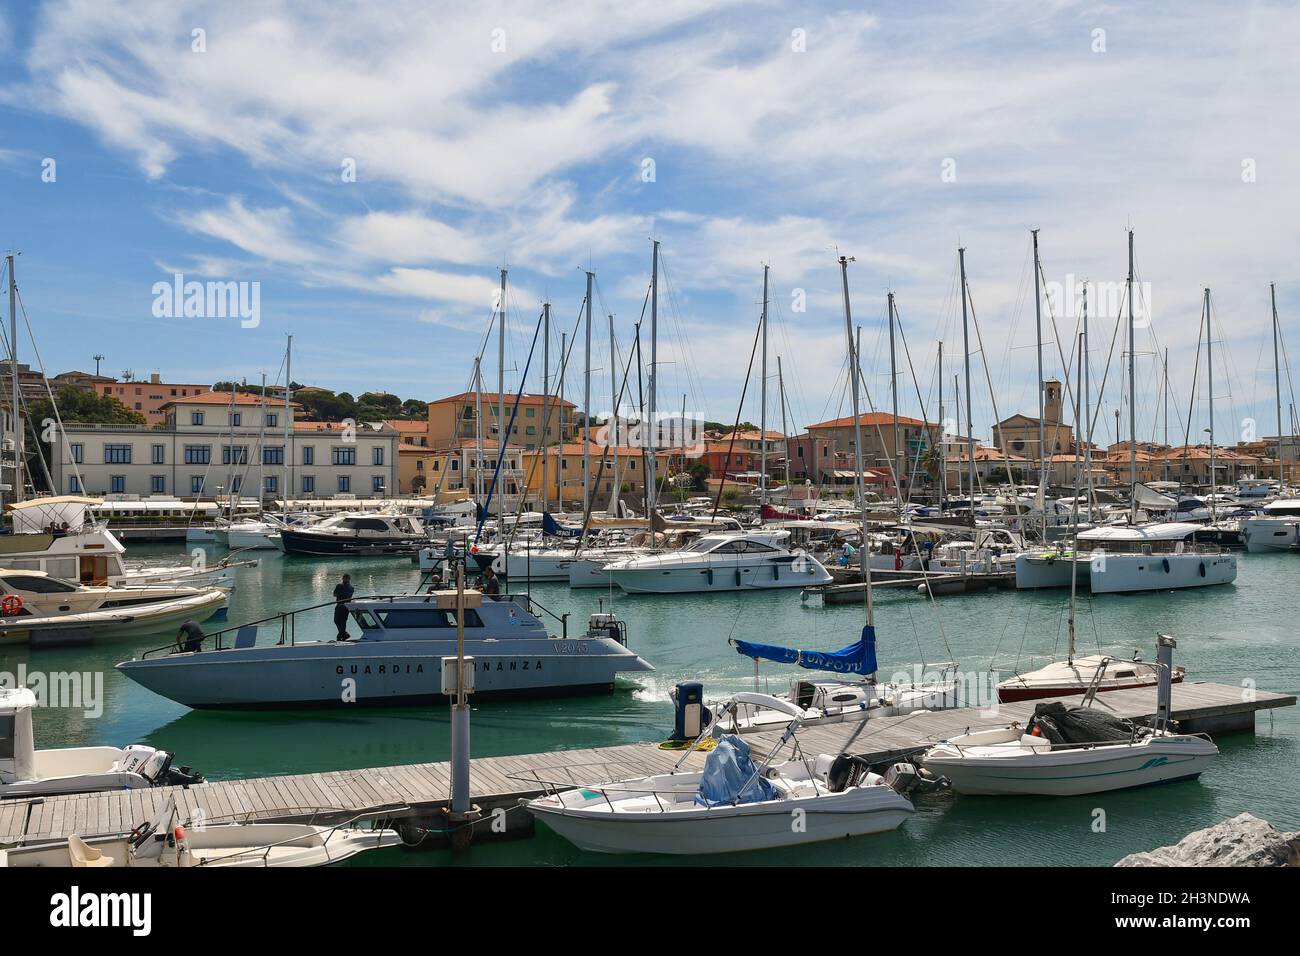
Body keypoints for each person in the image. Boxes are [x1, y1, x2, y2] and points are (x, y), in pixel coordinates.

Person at [333, 573, 355, 640]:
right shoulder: (351, 588)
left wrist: (339, 594)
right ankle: (343, 634)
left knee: (337, 620)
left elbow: (334, 594)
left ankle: (342, 634)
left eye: (344, 578)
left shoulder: (339, 586)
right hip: (347, 606)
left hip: (340, 605)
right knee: (343, 621)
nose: (343, 579)